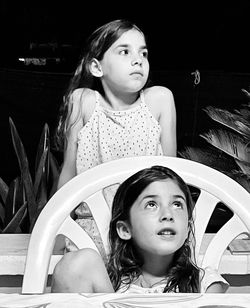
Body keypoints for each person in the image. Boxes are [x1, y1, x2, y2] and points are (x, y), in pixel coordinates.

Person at [54, 19, 177, 252]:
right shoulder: (84, 102)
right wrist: (55, 231)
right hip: (92, 228)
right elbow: (69, 171)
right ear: (97, 68)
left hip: (146, 229)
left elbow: (172, 177)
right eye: (124, 51)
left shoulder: (159, 100)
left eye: (144, 53)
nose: (138, 59)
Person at [51, 165, 229, 293]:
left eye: (177, 204)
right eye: (151, 204)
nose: (167, 214)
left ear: (189, 225)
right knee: (79, 262)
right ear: (125, 229)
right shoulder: (111, 284)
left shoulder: (203, 282)